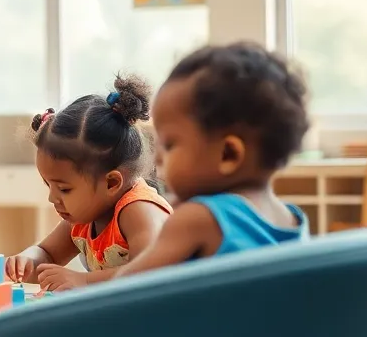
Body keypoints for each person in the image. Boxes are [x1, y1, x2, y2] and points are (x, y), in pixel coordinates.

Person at [116, 43, 311, 279]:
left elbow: (126, 289)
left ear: (228, 154)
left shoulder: (199, 218)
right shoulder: (290, 219)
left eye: (169, 145)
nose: (157, 157)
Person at [4, 76, 173, 291]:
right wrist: (27, 261)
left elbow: (152, 272)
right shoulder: (83, 216)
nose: (52, 198)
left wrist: (83, 281)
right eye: (49, 185)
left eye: (64, 189)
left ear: (111, 182)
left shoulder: (139, 210)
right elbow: (49, 254)